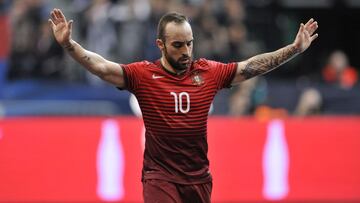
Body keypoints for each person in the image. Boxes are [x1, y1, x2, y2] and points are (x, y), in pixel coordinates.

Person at [49, 8, 318, 203]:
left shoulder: (209, 73)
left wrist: (294, 49)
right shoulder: (143, 76)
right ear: (161, 45)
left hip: (198, 180)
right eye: (178, 45)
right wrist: (69, 45)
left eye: (189, 43)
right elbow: (101, 67)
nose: (186, 51)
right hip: (160, 178)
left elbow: (251, 66)